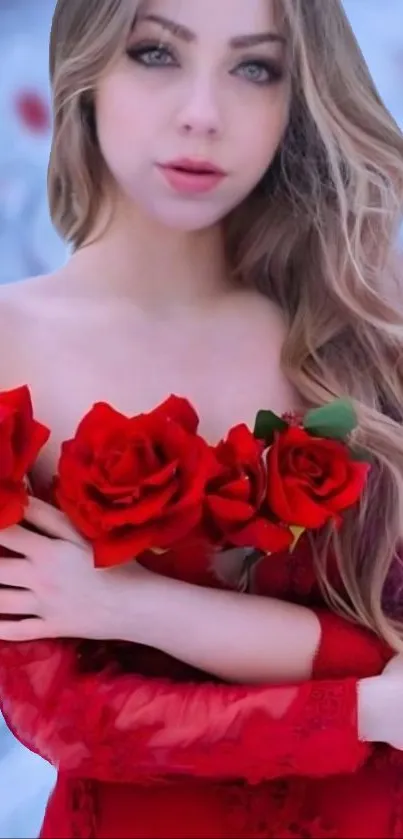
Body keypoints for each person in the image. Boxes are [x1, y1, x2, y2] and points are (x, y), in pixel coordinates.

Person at [0, 0, 403, 836]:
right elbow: (70, 720)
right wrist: (363, 709)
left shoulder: (362, 339)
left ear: (297, 96)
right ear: (86, 65)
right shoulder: (10, 343)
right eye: (155, 53)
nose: (201, 115)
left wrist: (128, 605)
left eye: (254, 67)